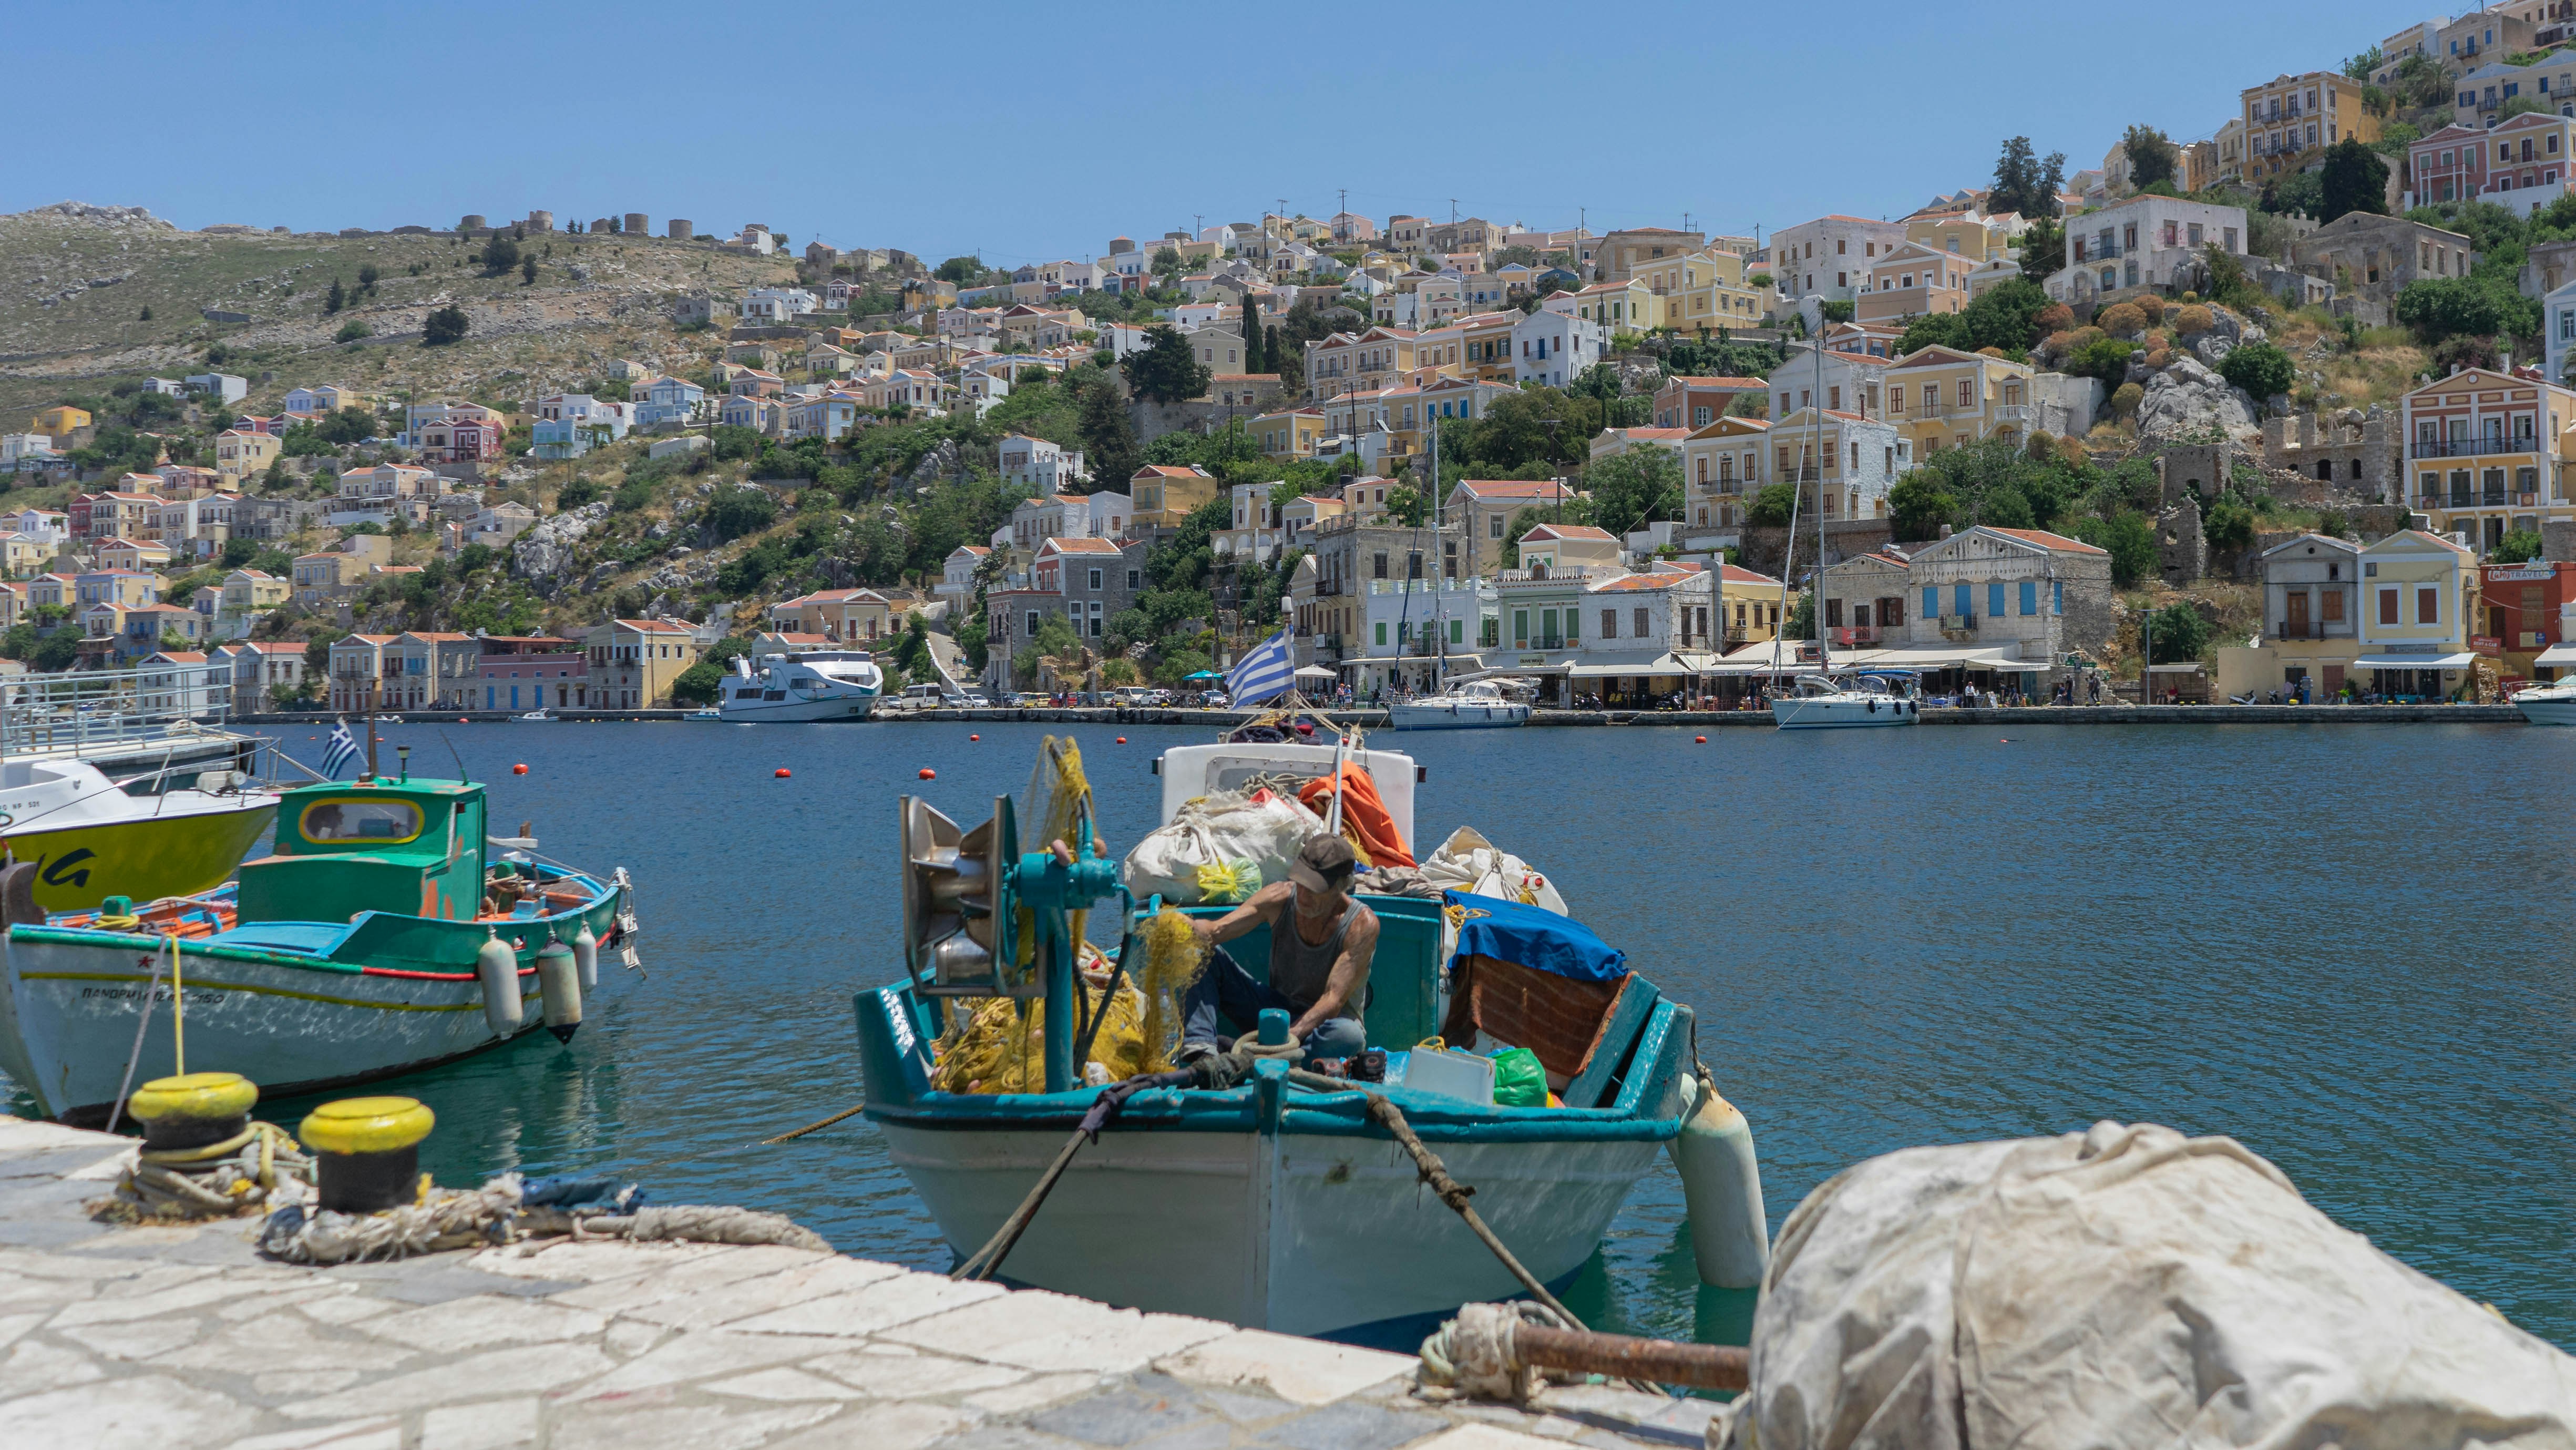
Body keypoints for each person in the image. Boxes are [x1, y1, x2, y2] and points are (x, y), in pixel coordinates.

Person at [1181, 836, 1377, 1061]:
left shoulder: (1361, 925)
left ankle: (1252, 1059)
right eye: (1301, 883)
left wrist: (1287, 1039)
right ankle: (1203, 1055)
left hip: (1324, 1027)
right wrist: (1185, 927)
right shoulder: (1279, 897)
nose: (1303, 896)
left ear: (1341, 886)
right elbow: (1214, 932)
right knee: (1202, 951)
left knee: (1349, 1036)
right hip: (1274, 1015)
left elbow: (1332, 1000)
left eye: (1314, 890)